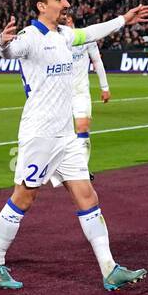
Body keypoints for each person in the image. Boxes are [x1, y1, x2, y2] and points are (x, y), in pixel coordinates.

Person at [0, 0, 148, 292]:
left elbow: (90, 33)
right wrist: (2, 43)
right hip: (40, 134)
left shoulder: (63, 35)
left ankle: (109, 268)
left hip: (65, 134)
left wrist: (123, 20)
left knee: (87, 196)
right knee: (24, 197)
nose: (67, 4)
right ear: (41, 5)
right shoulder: (31, 36)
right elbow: (9, 50)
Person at [60, 12, 110, 177]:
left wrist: (104, 87)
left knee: (82, 127)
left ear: (71, 21)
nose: (65, 21)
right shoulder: (56, 40)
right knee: (60, 132)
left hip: (80, 91)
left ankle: (82, 170)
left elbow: (97, 61)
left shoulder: (85, 37)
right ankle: (58, 167)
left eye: (67, 18)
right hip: (60, 94)